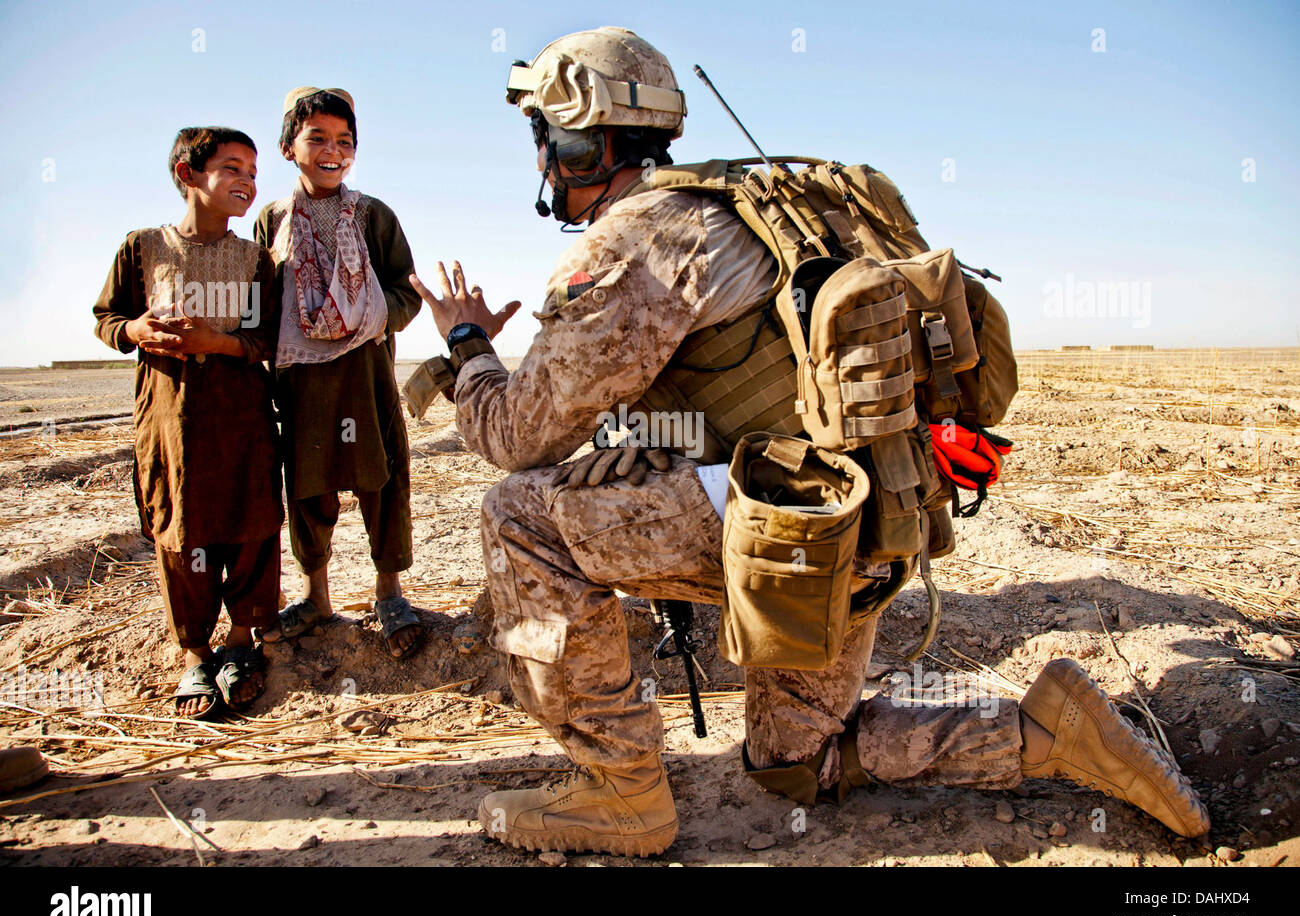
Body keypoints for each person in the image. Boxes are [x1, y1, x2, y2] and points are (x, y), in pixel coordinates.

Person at [409, 27, 1211, 857]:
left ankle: (619, 790)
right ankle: (1050, 731)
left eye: (548, 141)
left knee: (519, 516)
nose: (544, 163)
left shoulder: (634, 243)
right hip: (868, 521)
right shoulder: (760, 210)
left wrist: (466, 345)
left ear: (583, 143)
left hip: (789, 530)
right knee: (799, 765)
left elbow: (517, 436)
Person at [93, 126, 282, 719]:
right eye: (232, 169)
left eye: (252, 172)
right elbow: (107, 317)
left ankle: (241, 641)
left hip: (243, 417)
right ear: (187, 174)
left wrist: (214, 341)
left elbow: (264, 338)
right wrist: (136, 331)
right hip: (171, 419)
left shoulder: (255, 260)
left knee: (252, 522)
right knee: (181, 528)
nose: (246, 182)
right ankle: (194, 652)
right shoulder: (143, 248)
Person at [254, 88, 424, 659]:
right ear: (288, 148)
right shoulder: (273, 221)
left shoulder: (374, 216)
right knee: (307, 487)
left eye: (344, 141)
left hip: (366, 376)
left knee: (382, 480)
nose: (333, 151)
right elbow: (263, 301)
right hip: (302, 385)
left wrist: (370, 317)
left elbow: (406, 290)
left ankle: (389, 592)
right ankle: (317, 595)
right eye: (318, 139)